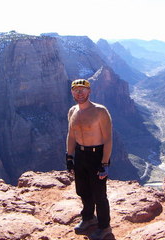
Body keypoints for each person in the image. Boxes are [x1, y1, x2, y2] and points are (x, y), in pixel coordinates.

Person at [66, 79, 112, 240]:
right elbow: (71, 135)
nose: (79, 93)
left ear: (89, 91)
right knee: (83, 190)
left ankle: (104, 226)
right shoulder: (72, 111)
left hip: (96, 155)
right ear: (72, 92)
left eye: (83, 90)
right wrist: (69, 156)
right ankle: (88, 218)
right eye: (76, 90)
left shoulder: (100, 111)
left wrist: (105, 163)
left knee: (99, 194)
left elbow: (108, 139)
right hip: (80, 154)